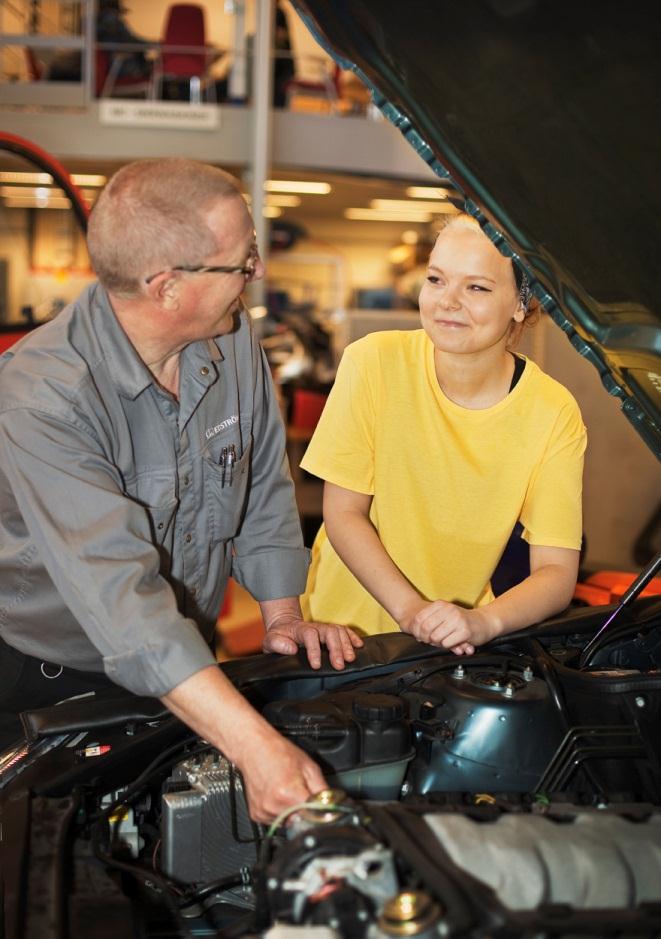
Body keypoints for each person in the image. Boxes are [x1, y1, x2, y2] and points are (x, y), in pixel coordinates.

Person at [0, 158, 362, 822]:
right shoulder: (42, 397)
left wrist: (281, 616)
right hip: (47, 684)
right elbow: (120, 597)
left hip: (185, 657)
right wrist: (256, 748)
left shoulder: (230, 342)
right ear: (167, 286)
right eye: (241, 262)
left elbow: (259, 486)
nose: (255, 276)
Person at [301, 212, 586, 653]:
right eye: (436, 280)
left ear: (520, 304)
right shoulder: (374, 362)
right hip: (342, 635)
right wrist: (412, 612)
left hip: (452, 644)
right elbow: (343, 514)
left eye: (477, 287)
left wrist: (482, 622)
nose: (447, 301)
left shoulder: (553, 412)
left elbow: (556, 572)